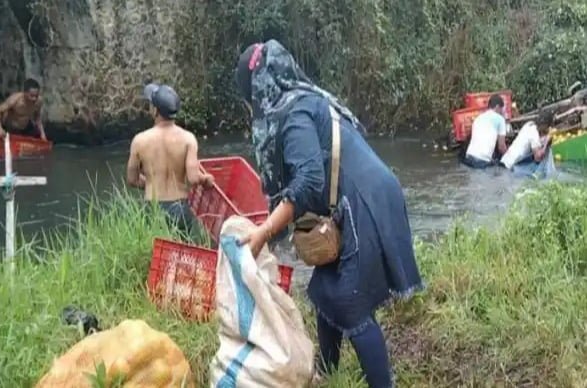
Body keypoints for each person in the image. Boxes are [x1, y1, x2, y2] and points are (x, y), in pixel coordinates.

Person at [235, 40, 424, 388]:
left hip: (364, 203)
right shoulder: (301, 100)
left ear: (260, 90)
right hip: (350, 202)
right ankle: (329, 369)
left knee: (351, 302)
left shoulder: (294, 116)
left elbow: (308, 179)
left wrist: (264, 233)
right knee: (324, 288)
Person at [126, 83, 214, 234]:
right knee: (180, 253)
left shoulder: (139, 141)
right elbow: (193, 178)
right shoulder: (188, 139)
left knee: (156, 253)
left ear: (156, 111)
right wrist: (206, 178)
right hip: (180, 207)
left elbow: (132, 179)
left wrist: (151, 182)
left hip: (153, 206)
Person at [463, 94, 508, 168]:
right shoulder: (500, 119)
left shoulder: (478, 118)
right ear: (497, 107)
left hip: (468, 157)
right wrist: (509, 157)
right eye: (501, 109)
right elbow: (501, 147)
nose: (501, 112)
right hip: (481, 161)